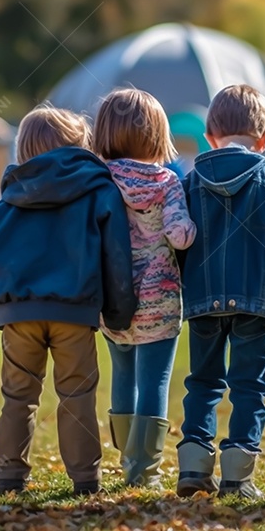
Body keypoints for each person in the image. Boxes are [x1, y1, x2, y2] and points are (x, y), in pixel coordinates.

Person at [0, 106, 137, 496]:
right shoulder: (99, 192)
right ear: (79, 147)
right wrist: (120, 313)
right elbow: (117, 256)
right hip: (74, 310)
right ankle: (85, 479)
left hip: (18, 314)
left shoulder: (7, 202)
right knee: (77, 394)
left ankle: (9, 477)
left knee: (18, 396)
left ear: (24, 149)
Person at [175, 84, 265, 498]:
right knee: (249, 386)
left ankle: (193, 463)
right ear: (264, 137)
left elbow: (181, 242)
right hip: (257, 300)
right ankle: (238, 474)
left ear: (210, 135)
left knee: (203, 382)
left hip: (203, 298)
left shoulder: (190, 183)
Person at [91, 88, 196, 487]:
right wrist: (189, 229)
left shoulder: (100, 181)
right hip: (160, 301)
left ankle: (125, 456)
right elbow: (179, 235)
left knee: (122, 374)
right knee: (154, 380)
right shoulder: (166, 181)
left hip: (112, 299)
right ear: (157, 135)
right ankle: (143, 470)